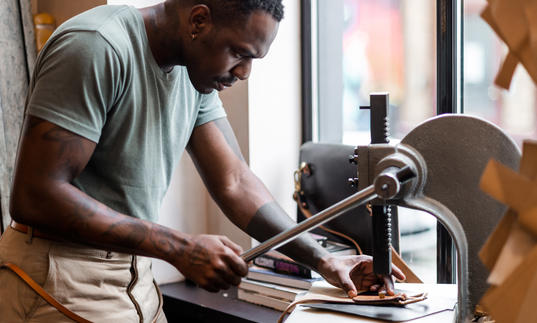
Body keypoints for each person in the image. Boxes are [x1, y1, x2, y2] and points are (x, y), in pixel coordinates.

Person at [0, 0, 405, 321]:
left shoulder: (194, 74)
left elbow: (235, 182)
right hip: (57, 278)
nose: (244, 73)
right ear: (198, 22)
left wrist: (322, 258)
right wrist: (178, 246)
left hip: (134, 279)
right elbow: (37, 194)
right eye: (240, 54)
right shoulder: (96, 45)